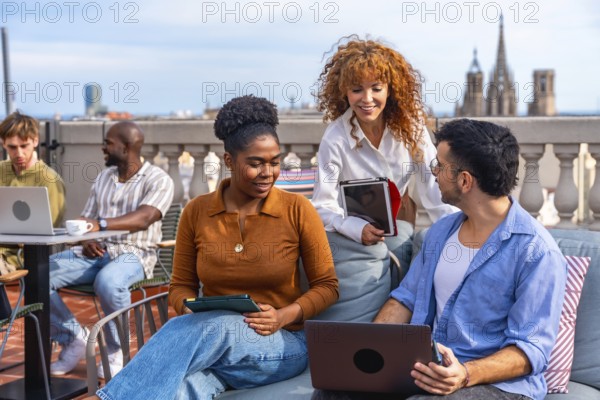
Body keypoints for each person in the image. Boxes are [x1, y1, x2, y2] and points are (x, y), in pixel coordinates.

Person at [92, 95, 339, 400]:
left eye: (274, 162)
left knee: (217, 327)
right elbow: (180, 287)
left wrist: (284, 315)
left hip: (281, 344)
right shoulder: (196, 211)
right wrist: (191, 308)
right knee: (181, 390)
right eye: (255, 163)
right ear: (229, 161)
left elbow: (328, 286)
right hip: (217, 348)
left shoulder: (298, 209)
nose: (268, 173)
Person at [314, 119, 567, 400]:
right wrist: (369, 351)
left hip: (497, 385)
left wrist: (465, 373)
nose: (433, 173)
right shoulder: (441, 232)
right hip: (429, 368)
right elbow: (406, 298)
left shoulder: (537, 252)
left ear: (465, 180)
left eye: (440, 166)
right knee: (334, 392)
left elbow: (530, 349)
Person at [310, 36, 457, 320]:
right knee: (389, 255)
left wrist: (460, 231)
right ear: (344, 93)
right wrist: (353, 226)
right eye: (357, 90)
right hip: (349, 234)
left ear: (391, 89)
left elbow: (433, 188)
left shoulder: (411, 127)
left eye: (376, 88)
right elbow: (321, 206)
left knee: (415, 247)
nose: (367, 99)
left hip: (398, 223)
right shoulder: (335, 138)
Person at [49, 121, 174, 378]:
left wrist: (101, 225)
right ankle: (73, 338)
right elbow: (87, 219)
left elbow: (144, 217)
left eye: (108, 143)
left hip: (134, 254)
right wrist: (87, 239)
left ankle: (117, 351)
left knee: (108, 282)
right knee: (39, 274)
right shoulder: (104, 177)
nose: (103, 147)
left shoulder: (159, 179)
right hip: (95, 254)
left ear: (126, 147)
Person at [0, 111, 66, 271]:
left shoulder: (50, 179)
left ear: (35, 141)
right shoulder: (2, 170)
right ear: (3, 143)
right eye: (12, 147)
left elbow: (48, 231)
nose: (19, 153)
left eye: (24, 146)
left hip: (20, 257)